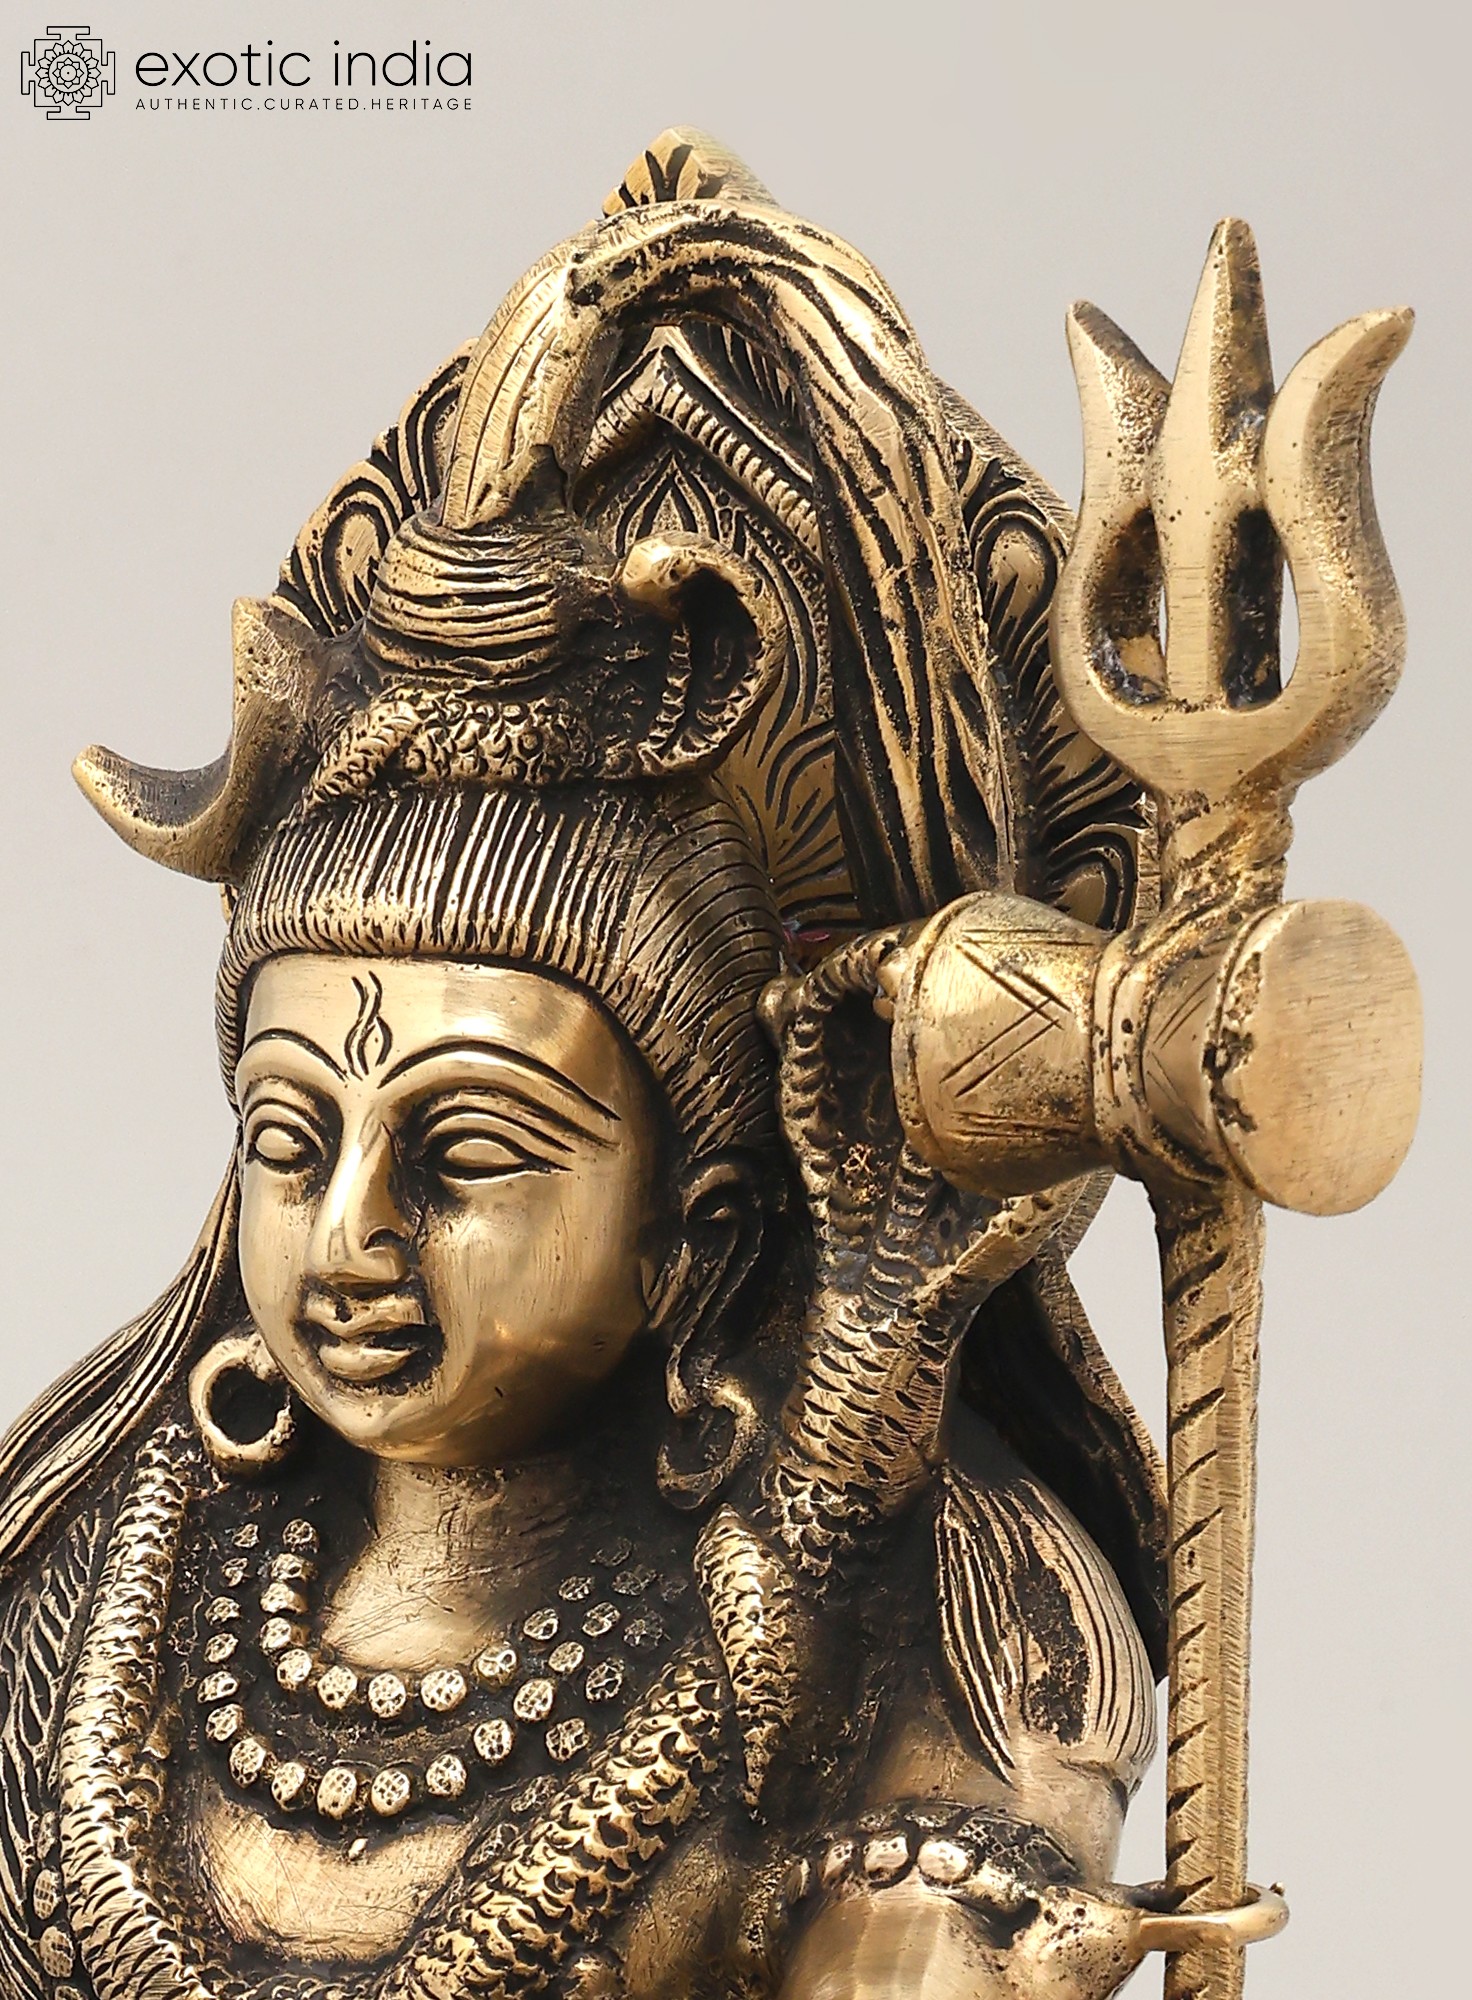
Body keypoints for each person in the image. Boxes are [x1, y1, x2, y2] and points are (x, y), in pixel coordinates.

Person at [0, 132, 1169, 2000]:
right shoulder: (90, 1601)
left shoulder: (941, 1631)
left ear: (697, 1239)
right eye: (291, 1142)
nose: (350, 1234)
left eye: (464, 1152)